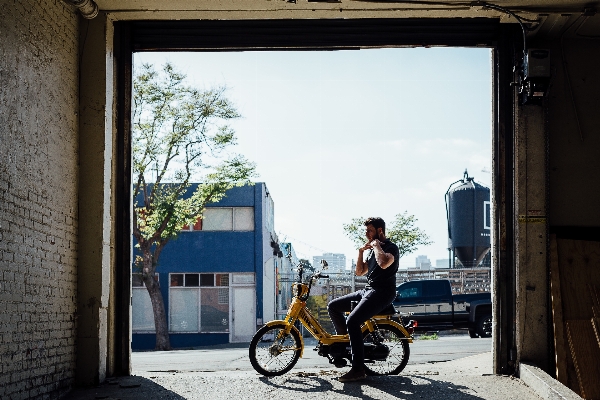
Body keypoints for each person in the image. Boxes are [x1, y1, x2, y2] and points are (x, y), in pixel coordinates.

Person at [327, 217, 400, 383]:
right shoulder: (371, 251)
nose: (367, 234)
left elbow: (383, 263)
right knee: (333, 306)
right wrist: (360, 252)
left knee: (352, 320)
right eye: (366, 231)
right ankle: (347, 344)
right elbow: (359, 272)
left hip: (383, 292)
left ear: (380, 231)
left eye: (370, 231)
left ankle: (358, 369)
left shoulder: (391, 248)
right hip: (368, 290)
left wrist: (375, 246)